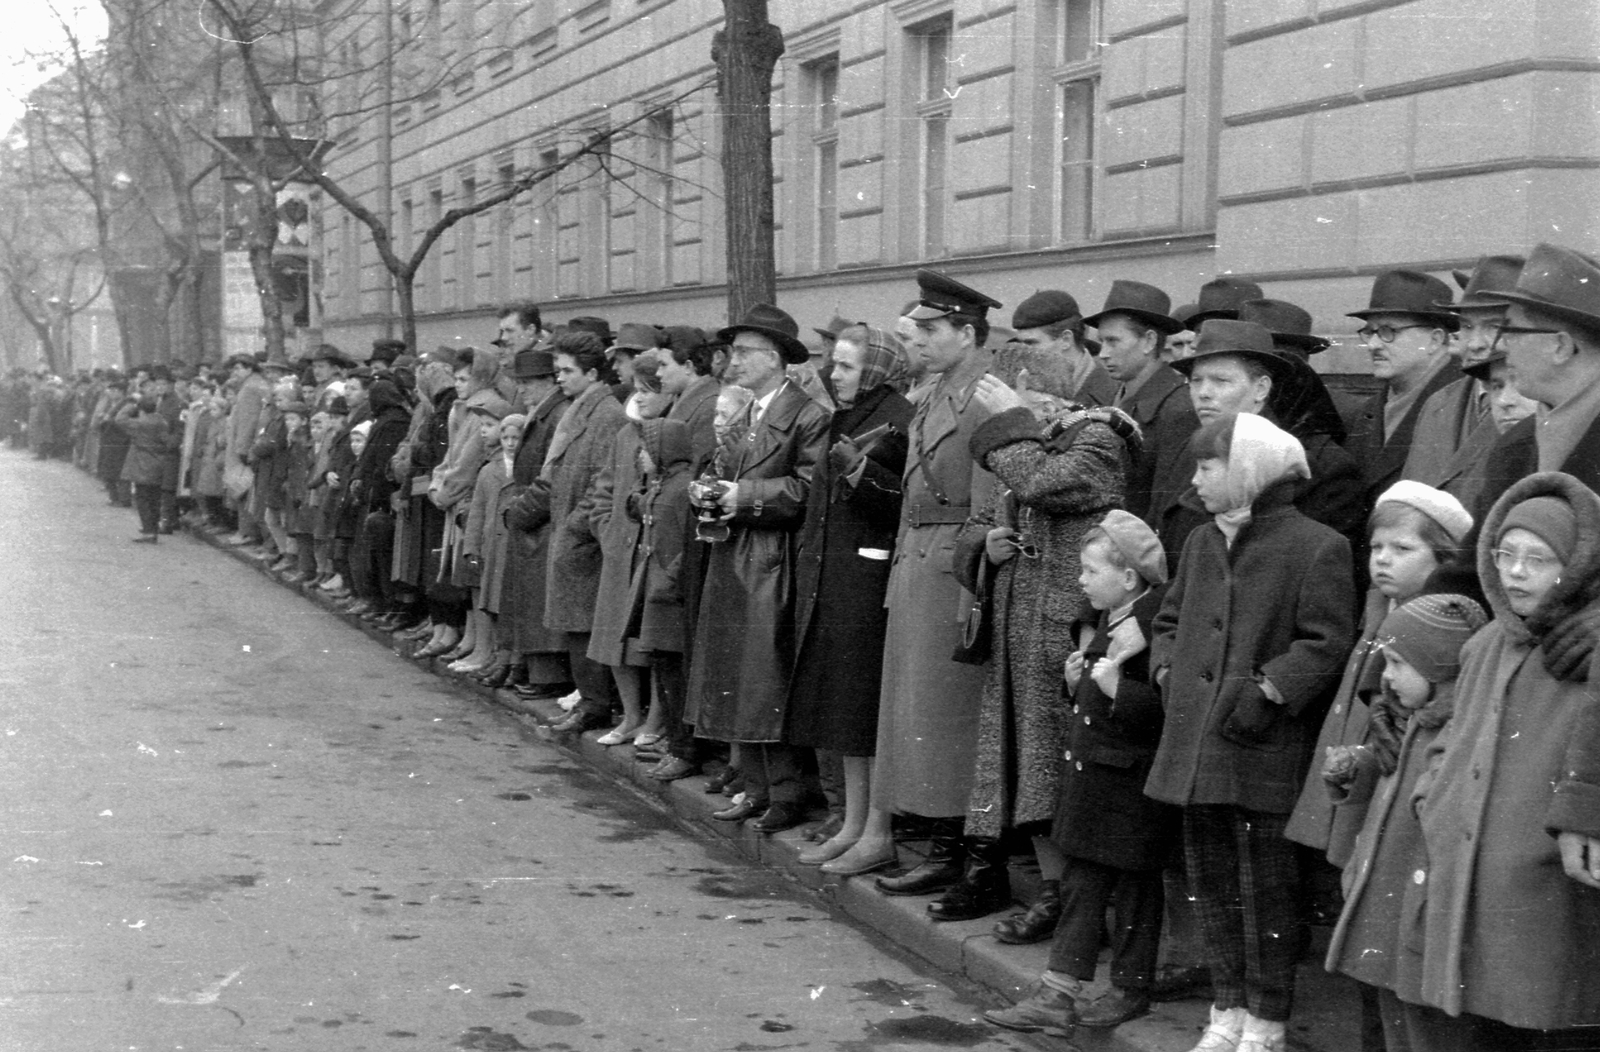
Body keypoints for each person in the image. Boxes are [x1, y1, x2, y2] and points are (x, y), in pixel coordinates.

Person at [1146, 412, 1356, 1052]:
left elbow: (1326, 642)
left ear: (1249, 471)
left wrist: (1269, 688)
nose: (1197, 480)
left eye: (1209, 467)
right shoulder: (1206, 540)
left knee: (1264, 890)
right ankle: (1227, 1009)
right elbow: (1171, 620)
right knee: (1208, 881)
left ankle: (1266, 1020)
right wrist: (1164, 671)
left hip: (1259, 742)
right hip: (1192, 743)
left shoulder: (1317, 545)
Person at [1405, 472, 1600, 1049]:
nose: (1515, 572)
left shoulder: (1586, 648)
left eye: (1538, 559)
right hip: (1467, 881)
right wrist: (1432, 795)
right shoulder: (1488, 643)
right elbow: (1449, 735)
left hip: (1544, 891)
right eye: (1505, 554)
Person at [821, 269, 1000, 886]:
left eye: (931, 329)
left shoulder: (986, 397)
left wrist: (972, 589)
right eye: (917, 329)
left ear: (967, 333)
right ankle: (934, 846)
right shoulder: (936, 392)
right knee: (916, 715)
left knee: (947, 719)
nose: (917, 340)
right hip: (916, 563)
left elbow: (988, 503)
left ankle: (953, 854)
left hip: (952, 569)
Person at [938, 365, 1134, 926]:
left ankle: (1076, 903)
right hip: (1020, 630)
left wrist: (1010, 422)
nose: (1013, 409)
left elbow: (1044, 483)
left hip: (1065, 630)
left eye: (1021, 395)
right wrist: (987, 544)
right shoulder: (1033, 442)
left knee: (1057, 766)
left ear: (1051, 396)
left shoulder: (1099, 437)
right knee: (1028, 769)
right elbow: (982, 517)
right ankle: (1054, 892)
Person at [984, 511, 1177, 1035]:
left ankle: (1128, 987)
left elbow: (1168, 708)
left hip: (1133, 785)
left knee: (1136, 887)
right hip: (1098, 780)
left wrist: (1118, 690)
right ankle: (1059, 992)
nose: (1081, 580)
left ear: (1129, 578)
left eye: (1091, 571)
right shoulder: (1115, 619)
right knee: (1083, 884)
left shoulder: (1151, 626)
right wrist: (1079, 687)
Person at [685, 303, 830, 833]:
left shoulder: (807, 415)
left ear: (774, 358)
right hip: (740, 559)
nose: (733, 361)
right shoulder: (751, 412)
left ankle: (784, 793)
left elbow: (811, 491)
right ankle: (755, 786)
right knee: (741, 679)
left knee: (765, 681)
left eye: (744, 352)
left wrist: (743, 495)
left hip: (772, 564)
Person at [1322, 593, 1486, 1052]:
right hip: (1391, 911)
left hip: (1419, 916)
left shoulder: (1454, 731)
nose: (1386, 677)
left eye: (1395, 663)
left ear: (1435, 666)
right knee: (1395, 1023)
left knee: (1427, 1032)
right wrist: (1360, 766)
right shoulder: (1410, 719)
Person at [786, 324, 913, 860]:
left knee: (862, 714)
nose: (831, 374)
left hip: (868, 583)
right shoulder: (853, 414)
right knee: (844, 712)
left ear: (876, 371)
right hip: (837, 579)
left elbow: (901, 502)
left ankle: (875, 833)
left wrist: (860, 471)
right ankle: (855, 826)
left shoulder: (897, 419)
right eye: (833, 364)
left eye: (845, 366)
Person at [540, 331, 628, 734]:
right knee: (576, 625)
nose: (559, 378)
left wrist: (576, 526)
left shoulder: (606, 414)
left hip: (585, 538)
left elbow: (605, 481)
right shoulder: (579, 409)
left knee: (586, 625)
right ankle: (588, 702)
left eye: (566, 371)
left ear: (592, 373)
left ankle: (595, 705)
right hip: (572, 531)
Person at [1344, 271, 1461, 524]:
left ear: (1435, 339)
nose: (1373, 344)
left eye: (1388, 331)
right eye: (1370, 331)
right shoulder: (1368, 411)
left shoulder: (1463, 406)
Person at [1401, 256, 1524, 491]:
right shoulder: (1438, 403)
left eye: (1494, 326)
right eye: (1467, 326)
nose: (1475, 343)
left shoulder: (1537, 403)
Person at [1088, 280, 1197, 521]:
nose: (1103, 353)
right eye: (1101, 341)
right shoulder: (1113, 397)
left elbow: (1166, 508)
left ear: (1149, 341)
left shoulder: (1178, 409)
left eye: (1113, 341)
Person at [1007, 290, 1116, 406]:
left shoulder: (1114, 394)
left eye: (1031, 343)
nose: (1021, 353)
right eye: (1020, 344)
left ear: (1066, 340)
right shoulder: (1024, 390)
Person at [115, 396, 173, 543]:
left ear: (141, 409)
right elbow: (166, 441)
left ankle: (148, 531)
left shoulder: (140, 423)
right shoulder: (162, 422)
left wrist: (130, 406)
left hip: (142, 464)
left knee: (143, 499)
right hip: (158, 463)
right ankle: (153, 530)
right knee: (154, 499)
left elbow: (120, 419)